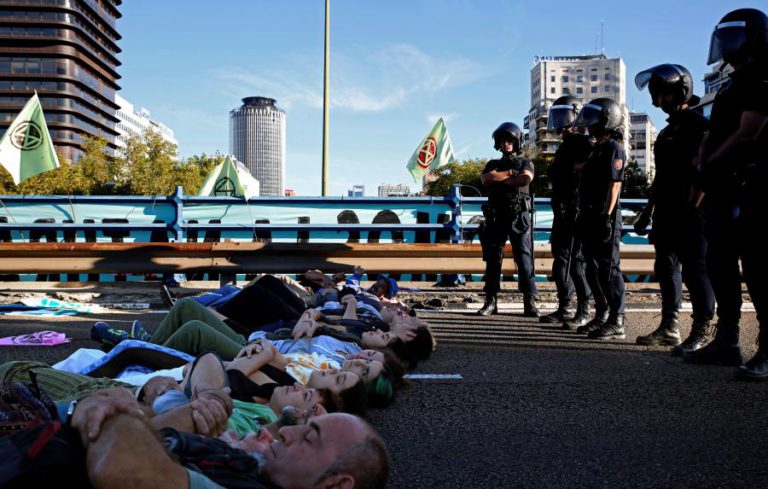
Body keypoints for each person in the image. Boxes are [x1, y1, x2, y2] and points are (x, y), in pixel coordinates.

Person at [67, 387, 390, 489]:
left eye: (309, 438)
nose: (287, 432)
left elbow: (122, 467)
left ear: (336, 486)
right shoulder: (250, 467)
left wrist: (104, 407)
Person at [684, 8, 768, 381]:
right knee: (720, 265)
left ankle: (767, 350)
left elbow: (749, 131)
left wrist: (710, 163)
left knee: (759, 271)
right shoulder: (733, 81)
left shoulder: (763, 75)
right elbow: (716, 130)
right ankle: (728, 341)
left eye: (732, 38)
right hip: (722, 187)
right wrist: (705, 157)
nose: (726, 47)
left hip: (750, 187)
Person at [633, 63, 716, 352]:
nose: (658, 101)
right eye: (656, 94)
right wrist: (648, 210)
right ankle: (670, 327)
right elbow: (661, 175)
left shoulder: (698, 125)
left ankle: (702, 330)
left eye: (663, 94)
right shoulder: (667, 132)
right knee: (666, 267)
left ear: (680, 91)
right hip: (666, 211)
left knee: (696, 270)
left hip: (692, 210)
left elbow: (705, 168)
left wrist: (695, 205)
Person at [572, 98, 627, 340]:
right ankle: (602, 314)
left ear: (607, 120)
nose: (589, 125)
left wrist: (606, 216)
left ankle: (618, 319)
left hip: (604, 217)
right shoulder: (597, 149)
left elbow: (615, 185)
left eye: (593, 121)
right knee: (593, 268)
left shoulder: (615, 148)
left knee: (609, 269)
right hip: (589, 215)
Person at [476, 122, 539, 317]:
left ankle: (530, 302)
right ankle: (491, 301)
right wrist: (509, 175)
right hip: (496, 216)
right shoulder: (492, 164)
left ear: (517, 142)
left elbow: (525, 179)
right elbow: (486, 179)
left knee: (524, 258)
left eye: (510, 140)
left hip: (518, 216)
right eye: (503, 140)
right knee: (494, 259)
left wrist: (501, 178)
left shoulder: (525, 163)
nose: (506, 144)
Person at [542, 96, 594, 328]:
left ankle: (584, 309)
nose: (560, 121)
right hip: (561, 211)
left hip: (576, 210)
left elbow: (589, 169)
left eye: (564, 115)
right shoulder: (566, 144)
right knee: (560, 261)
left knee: (576, 262)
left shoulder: (584, 142)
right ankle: (565, 306)